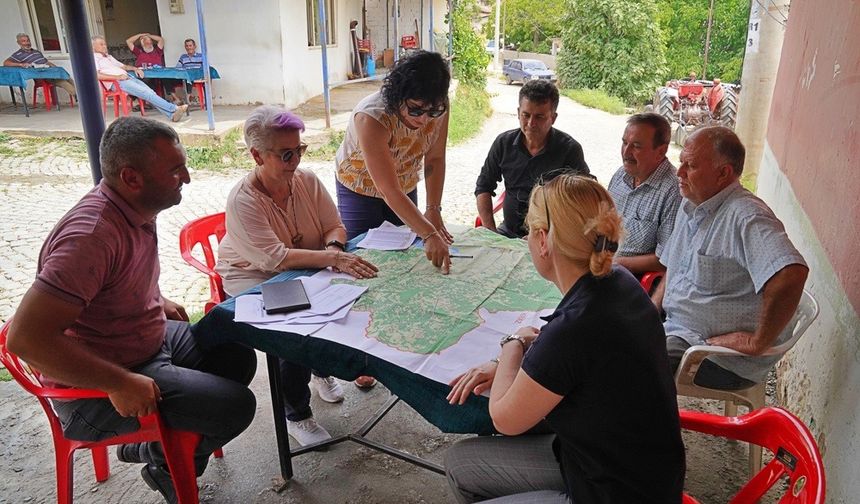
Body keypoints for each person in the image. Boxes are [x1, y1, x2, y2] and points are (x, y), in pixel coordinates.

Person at [5, 117, 257, 504]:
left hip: (145, 344)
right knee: (235, 407)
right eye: (175, 170)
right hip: (93, 391)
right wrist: (117, 383)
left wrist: (155, 298)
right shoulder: (91, 236)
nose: (187, 177)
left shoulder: (135, 207)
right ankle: (159, 459)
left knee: (236, 352)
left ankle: (167, 458)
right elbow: (27, 338)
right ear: (131, 177)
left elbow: (114, 280)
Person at [445, 174, 685, 503]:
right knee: (461, 462)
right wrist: (513, 365)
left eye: (530, 231)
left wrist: (512, 344)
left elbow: (504, 418)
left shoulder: (574, 329)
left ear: (543, 240)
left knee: (469, 462)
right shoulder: (618, 281)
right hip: (635, 471)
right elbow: (575, 355)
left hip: (612, 492)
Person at [216, 106, 379, 445]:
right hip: (255, 276)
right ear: (257, 155)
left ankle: (320, 369)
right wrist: (332, 258)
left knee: (346, 296)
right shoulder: (244, 200)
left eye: (299, 150)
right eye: (286, 153)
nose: (295, 160)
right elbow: (275, 258)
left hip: (305, 263)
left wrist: (334, 250)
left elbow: (334, 225)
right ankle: (296, 413)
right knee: (292, 324)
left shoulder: (305, 180)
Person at [653, 126, 809, 390]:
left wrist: (757, 342)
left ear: (723, 173)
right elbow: (674, 269)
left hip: (713, 355)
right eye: (681, 163)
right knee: (599, 336)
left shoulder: (746, 216)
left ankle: (639, 429)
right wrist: (648, 312)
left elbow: (790, 274)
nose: (679, 173)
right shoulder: (691, 202)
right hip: (677, 328)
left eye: (689, 166)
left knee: (627, 365)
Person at [335, 50, 453, 273]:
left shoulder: (438, 107)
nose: (424, 119)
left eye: (433, 111)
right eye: (415, 109)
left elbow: (435, 159)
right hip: (360, 185)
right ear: (398, 95)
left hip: (405, 181)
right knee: (366, 257)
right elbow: (388, 189)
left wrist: (433, 209)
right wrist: (429, 233)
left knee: (404, 256)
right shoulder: (372, 117)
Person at [474, 80, 589, 238]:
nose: (530, 123)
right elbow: (483, 187)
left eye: (539, 117)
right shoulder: (504, 143)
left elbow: (583, 201)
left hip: (552, 237)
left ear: (553, 118)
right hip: (507, 232)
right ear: (518, 112)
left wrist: (545, 236)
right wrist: (491, 232)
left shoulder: (569, 150)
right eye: (525, 115)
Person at [607, 112, 681, 276]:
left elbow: (665, 260)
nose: (626, 152)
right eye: (625, 143)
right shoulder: (621, 175)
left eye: (636, 146)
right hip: (606, 266)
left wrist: (613, 264)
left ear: (661, 151)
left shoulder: (673, 191)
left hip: (634, 279)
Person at [92, 36, 188, 122]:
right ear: (93, 47)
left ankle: (172, 115)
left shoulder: (108, 57)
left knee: (150, 92)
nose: (104, 46)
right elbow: (96, 75)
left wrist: (135, 68)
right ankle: (174, 108)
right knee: (146, 93)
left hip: (128, 78)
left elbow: (124, 66)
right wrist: (118, 77)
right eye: (101, 44)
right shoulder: (93, 58)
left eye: (104, 44)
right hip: (117, 82)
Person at [3, 33, 77, 102]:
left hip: (50, 71)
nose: (27, 43)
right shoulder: (18, 54)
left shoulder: (36, 52)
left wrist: (55, 68)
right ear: (19, 43)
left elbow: (46, 62)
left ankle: (80, 94)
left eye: (28, 40)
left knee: (68, 78)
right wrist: (21, 64)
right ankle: (78, 96)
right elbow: (6, 63)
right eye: (24, 41)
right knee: (62, 81)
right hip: (42, 76)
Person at [171, 38, 204, 105]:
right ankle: (177, 99)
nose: (188, 47)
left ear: (194, 46)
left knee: (188, 76)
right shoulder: (183, 57)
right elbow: (178, 67)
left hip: (195, 76)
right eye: (187, 46)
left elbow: (205, 67)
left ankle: (187, 99)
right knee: (167, 79)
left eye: (190, 45)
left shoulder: (201, 56)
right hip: (184, 76)